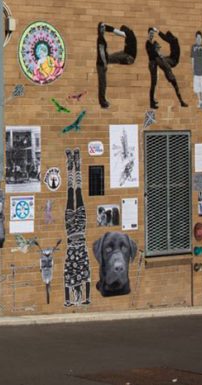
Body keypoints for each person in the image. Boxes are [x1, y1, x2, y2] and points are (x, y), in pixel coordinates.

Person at [63, 148, 91, 306]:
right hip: (78, 229)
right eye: (77, 296)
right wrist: (85, 300)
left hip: (73, 231)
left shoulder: (71, 275)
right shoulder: (82, 274)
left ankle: (70, 165)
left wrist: (70, 302)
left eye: (76, 296)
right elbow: (86, 281)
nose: (76, 294)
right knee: (76, 192)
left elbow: (67, 285)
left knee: (71, 193)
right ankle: (76, 165)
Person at [96, 22, 136, 109]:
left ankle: (103, 102)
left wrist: (106, 27)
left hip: (129, 57)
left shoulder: (129, 34)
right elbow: (102, 51)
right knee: (112, 56)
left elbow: (117, 32)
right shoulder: (101, 39)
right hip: (125, 53)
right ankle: (103, 102)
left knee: (103, 83)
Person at [145, 28, 187, 109]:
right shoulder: (148, 44)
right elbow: (153, 54)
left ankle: (152, 101)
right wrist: (159, 54)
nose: (152, 35)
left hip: (159, 62)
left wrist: (157, 31)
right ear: (148, 34)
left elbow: (164, 40)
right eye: (150, 33)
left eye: (152, 33)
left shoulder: (173, 41)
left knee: (155, 83)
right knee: (153, 83)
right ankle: (152, 102)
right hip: (153, 64)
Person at [191, 31, 202, 109]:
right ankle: (199, 101)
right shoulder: (193, 47)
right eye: (197, 37)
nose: (198, 39)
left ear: (201, 38)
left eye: (200, 38)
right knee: (196, 87)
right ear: (195, 38)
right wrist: (193, 69)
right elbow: (192, 59)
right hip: (196, 71)